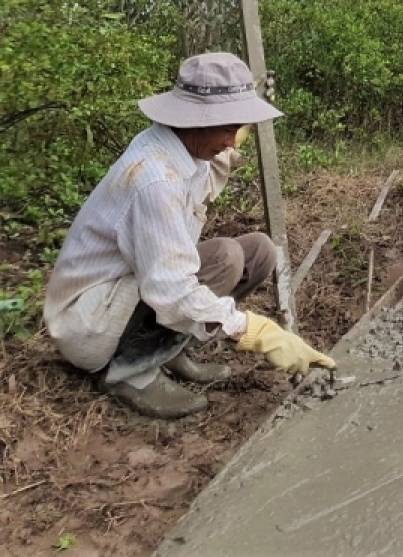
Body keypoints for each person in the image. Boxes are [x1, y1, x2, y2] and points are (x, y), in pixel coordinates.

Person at [44, 52, 335, 419]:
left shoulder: (180, 145)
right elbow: (172, 289)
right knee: (225, 258)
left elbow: (210, 170)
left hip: (128, 285)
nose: (232, 141)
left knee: (259, 252)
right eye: (226, 128)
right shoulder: (155, 179)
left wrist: (238, 126)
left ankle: (167, 349)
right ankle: (131, 373)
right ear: (193, 121)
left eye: (238, 128)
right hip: (89, 320)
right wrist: (256, 331)